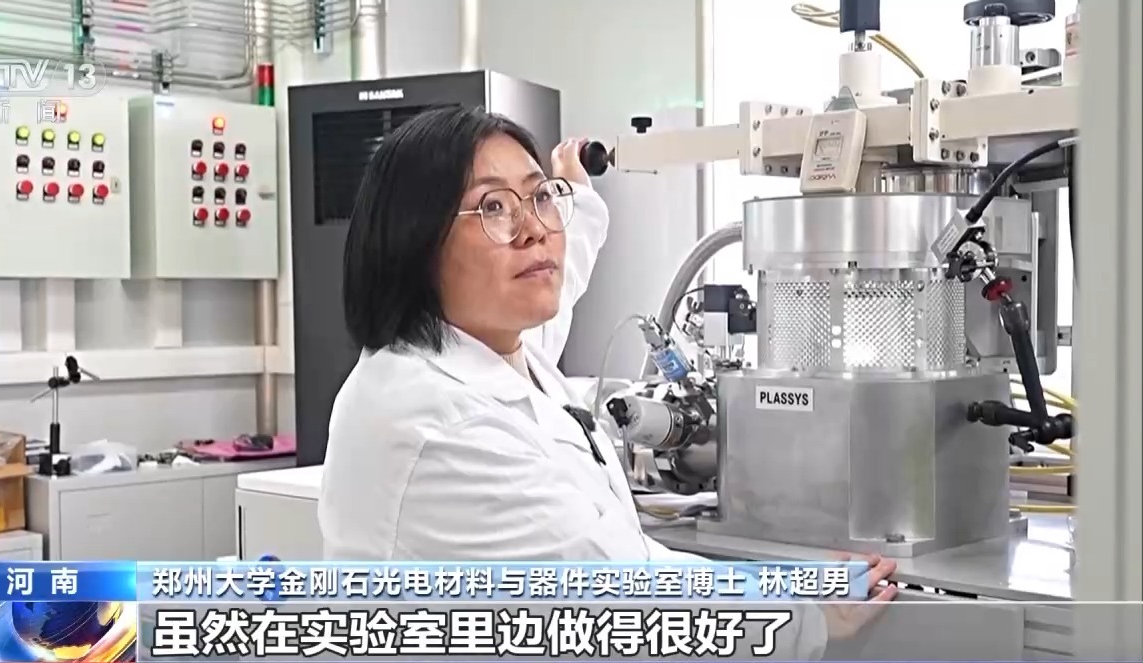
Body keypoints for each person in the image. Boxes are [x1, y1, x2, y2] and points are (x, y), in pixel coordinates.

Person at [319, 105, 898, 657]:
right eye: (494, 207)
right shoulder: (436, 425)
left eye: (540, 197)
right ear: (414, 239)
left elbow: (559, 274)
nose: (535, 229)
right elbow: (620, 596)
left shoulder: (489, 344)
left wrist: (580, 197)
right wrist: (799, 609)